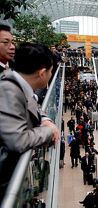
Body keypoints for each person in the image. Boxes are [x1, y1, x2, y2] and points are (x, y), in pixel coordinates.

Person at [0, 43, 59, 199]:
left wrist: (45, 120)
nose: (51, 75)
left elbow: (35, 106)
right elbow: (18, 140)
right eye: (51, 71)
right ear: (41, 73)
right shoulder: (8, 90)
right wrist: (48, 131)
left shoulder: (20, 85)